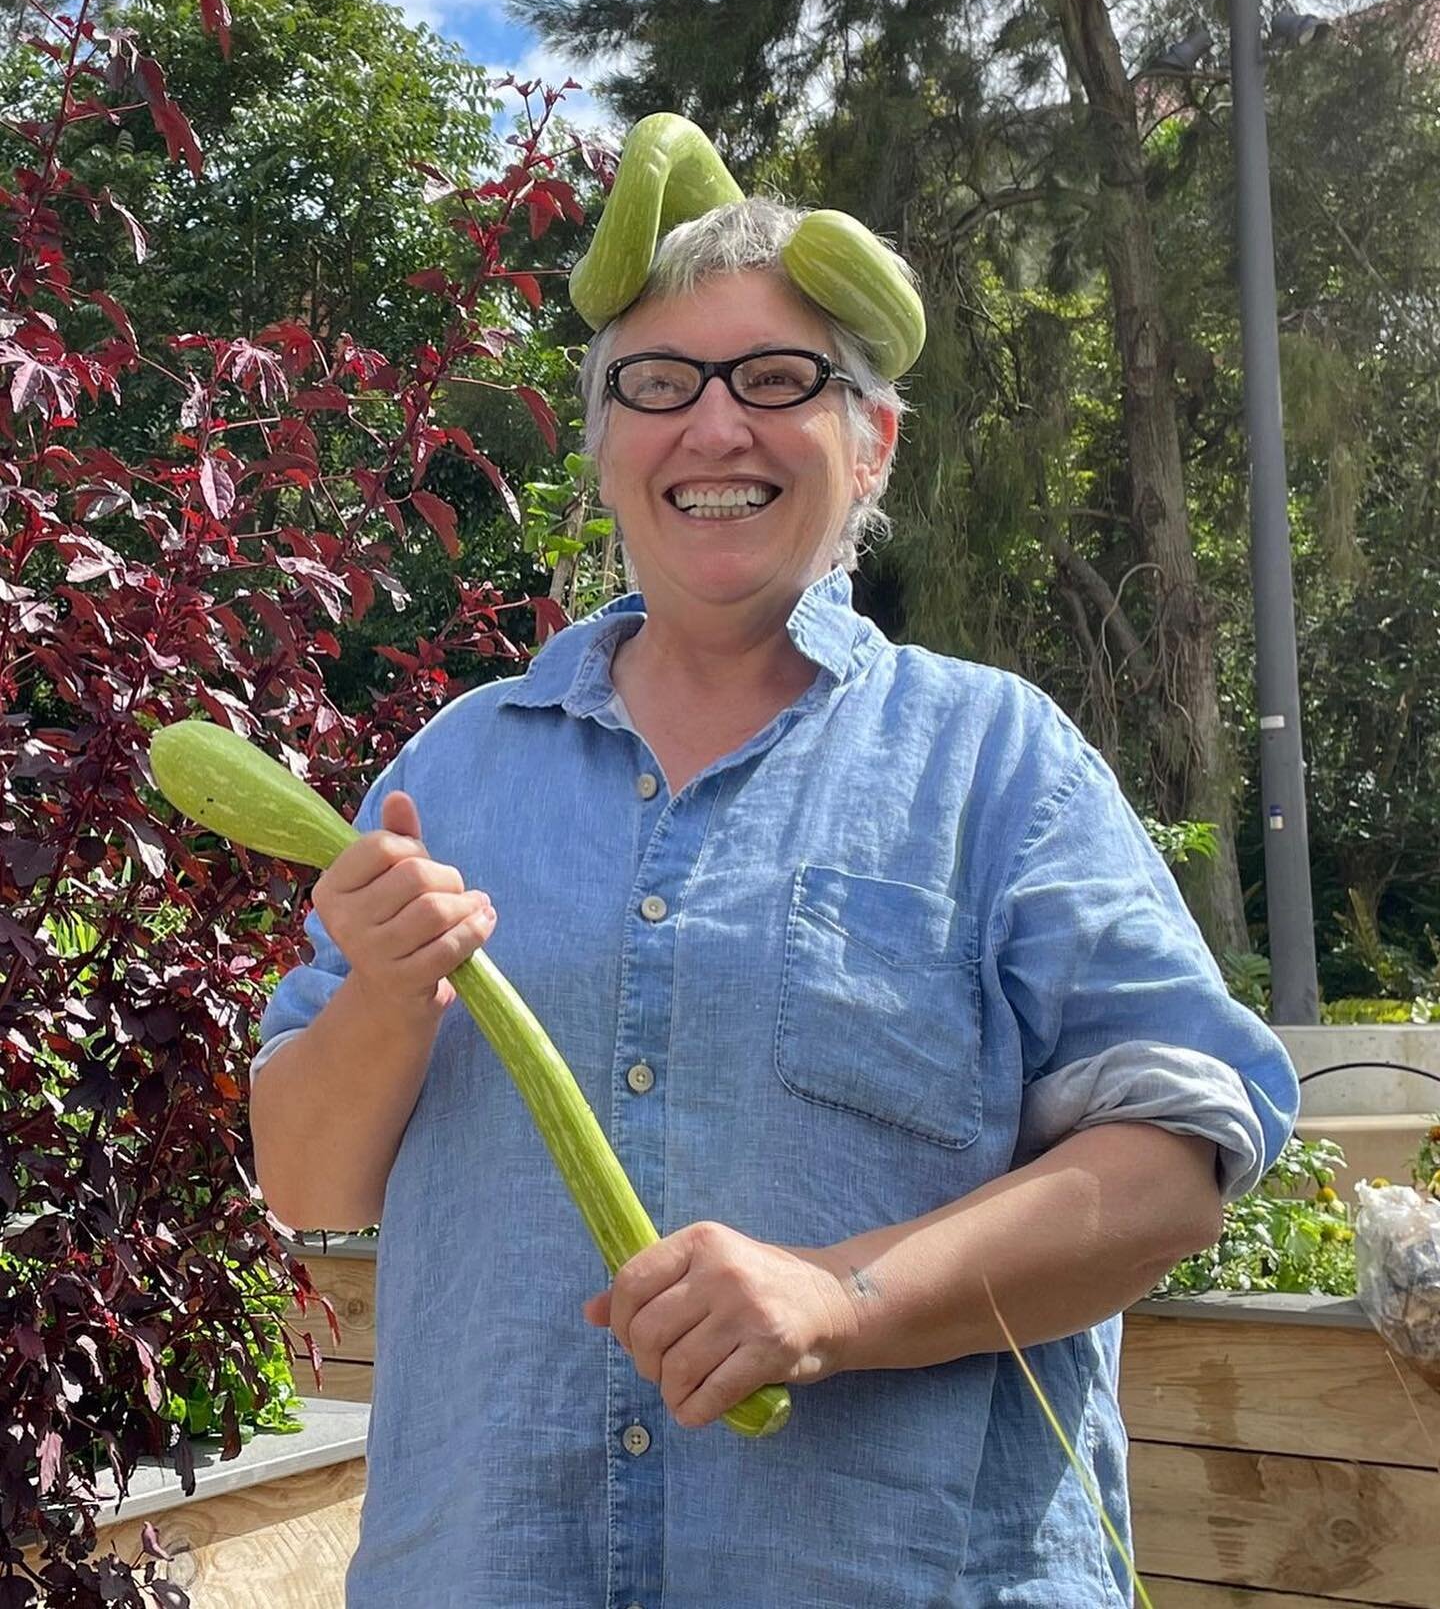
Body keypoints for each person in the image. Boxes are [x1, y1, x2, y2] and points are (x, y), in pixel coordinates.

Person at [251, 179, 1299, 1607]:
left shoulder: (1001, 765)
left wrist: (840, 1297)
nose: (715, 424)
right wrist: (385, 992)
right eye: (661, 382)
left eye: (778, 379)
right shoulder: (455, 769)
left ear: (870, 442)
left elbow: (1175, 1161)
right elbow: (307, 1177)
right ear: (607, 441)